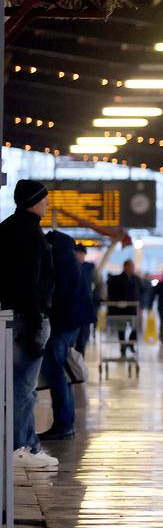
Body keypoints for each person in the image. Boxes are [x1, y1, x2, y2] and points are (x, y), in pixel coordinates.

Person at [2, 180, 58, 471]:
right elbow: (31, 283)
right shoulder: (32, 235)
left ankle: (21, 445)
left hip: (9, 317)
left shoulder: (5, 227)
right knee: (24, 387)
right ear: (34, 201)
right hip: (28, 318)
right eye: (45, 200)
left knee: (13, 386)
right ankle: (22, 448)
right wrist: (36, 325)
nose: (48, 204)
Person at [39, 231, 97, 442]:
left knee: (56, 368)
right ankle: (65, 423)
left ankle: (63, 424)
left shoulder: (60, 262)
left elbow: (57, 296)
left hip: (66, 323)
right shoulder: (70, 261)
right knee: (58, 368)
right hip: (73, 322)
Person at [106, 259, 143, 357]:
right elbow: (112, 293)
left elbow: (141, 291)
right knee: (121, 329)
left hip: (132, 308)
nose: (132, 268)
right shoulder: (117, 279)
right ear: (125, 267)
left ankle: (130, 344)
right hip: (120, 309)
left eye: (133, 266)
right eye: (130, 266)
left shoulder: (136, 279)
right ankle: (122, 346)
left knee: (135, 327)